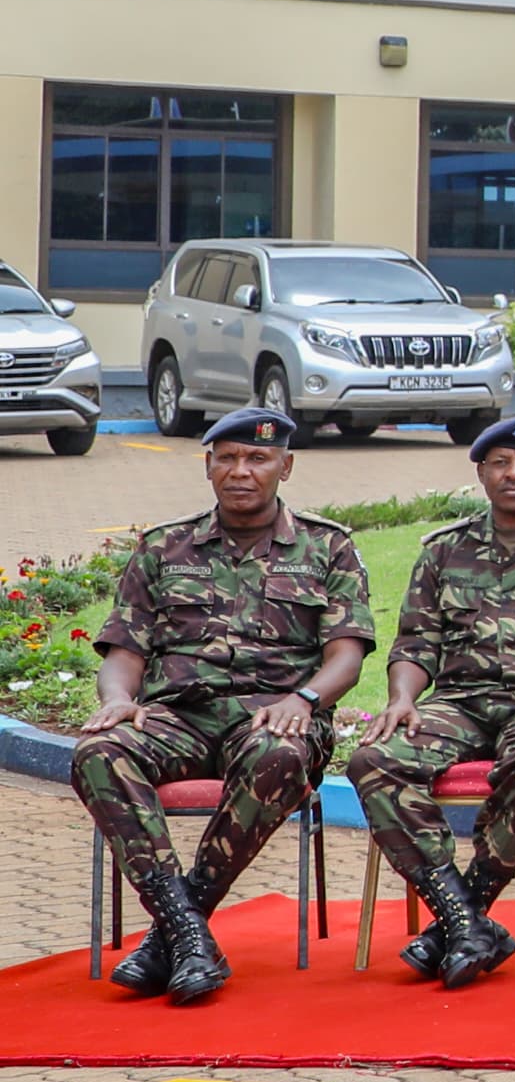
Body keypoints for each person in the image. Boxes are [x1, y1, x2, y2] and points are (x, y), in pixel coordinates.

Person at [76, 409, 372, 1006]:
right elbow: (125, 649)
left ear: (285, 466)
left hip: (273, 715)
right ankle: (187, 932)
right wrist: (117, 702)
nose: (242, 471)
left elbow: (347, 654)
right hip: (177, 716)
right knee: (99, 752)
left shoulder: (327, 546)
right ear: (208, 465)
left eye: (258, 459)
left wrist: (305, 699)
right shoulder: (163, 546)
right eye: (228, 458)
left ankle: (175, 932)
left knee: (278, 756)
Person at [341, 416, 515, 989]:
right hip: (462, 702)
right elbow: (415, 643)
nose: (514, 473)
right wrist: (402, 698)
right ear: (481, 473)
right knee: (373, 759)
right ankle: (464, 920)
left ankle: (460, 914)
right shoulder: (445, 551)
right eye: (500, 464)